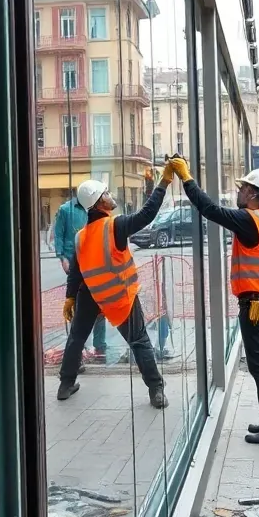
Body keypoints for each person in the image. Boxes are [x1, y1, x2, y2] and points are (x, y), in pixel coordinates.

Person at [171, 158, 259, 444]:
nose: (238, 192)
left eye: (242, 188)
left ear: (251, 193)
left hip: (257, 304)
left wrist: (186, 179)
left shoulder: (250, 220)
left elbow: (210, 210)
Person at [59, 174, 172, 409]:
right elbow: (147, 214)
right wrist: (163, 183)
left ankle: (66, 384)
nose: (111, 197)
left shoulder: (81, 237)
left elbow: (76, 272)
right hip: (119, 295)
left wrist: (71, 297)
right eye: (107, 193)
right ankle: (156, 389)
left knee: (77, 337)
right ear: (100, 203)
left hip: (91, 294)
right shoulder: (115, 226)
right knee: (139, 341)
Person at [52, 190, 109, 360]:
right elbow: (59, 234)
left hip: (95, 262)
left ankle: (100, 346)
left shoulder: (95, 209)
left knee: (100, 305)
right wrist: (62, 257)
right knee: (78, 305)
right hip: (75, 264)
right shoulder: (65, 210)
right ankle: (80, 347)